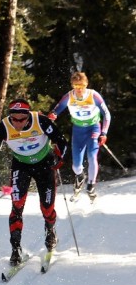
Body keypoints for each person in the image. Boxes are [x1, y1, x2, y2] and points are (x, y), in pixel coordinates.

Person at [0, 99, 68, 265]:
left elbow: (61, 140)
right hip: (21, 165)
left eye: (21, 119)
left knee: (47, 207)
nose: (17, 123)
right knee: (17, 205)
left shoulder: (41, 121)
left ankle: (50, 229)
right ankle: (15, 248)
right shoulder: (4, 126)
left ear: (28, 116)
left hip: (45, 165)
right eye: (14, 119)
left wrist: (61, 157)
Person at [48, 72, 111, 201]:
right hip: (78, 130)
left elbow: (107, 114)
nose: (79, 89)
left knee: (92, 155)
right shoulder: (69, 97)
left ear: (86, 84)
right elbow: (56, 111)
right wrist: (53, 115)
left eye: (82, 85)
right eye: (76, 86)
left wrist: (104, 132)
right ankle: (80, 176)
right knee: (76, 165)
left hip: (94, 128)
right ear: (72, 85)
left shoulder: (94, 95)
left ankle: (91, 185)